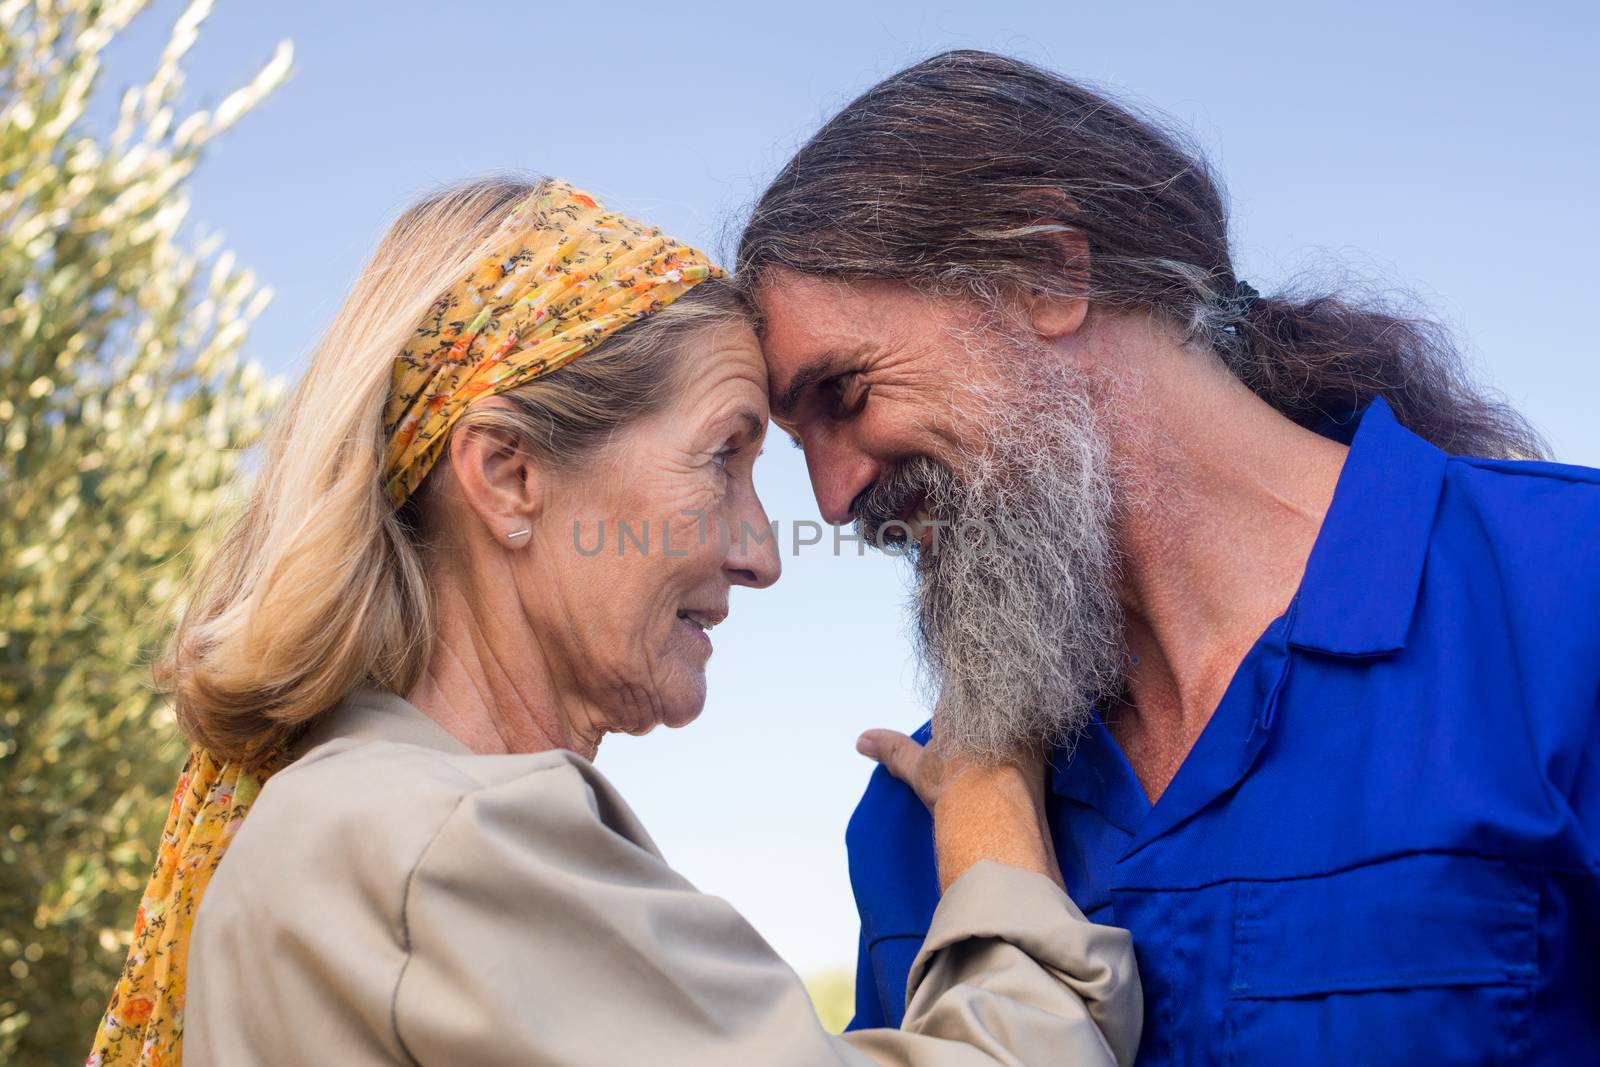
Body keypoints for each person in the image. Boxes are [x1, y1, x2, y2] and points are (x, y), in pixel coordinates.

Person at [86, 177, 1141, 1067]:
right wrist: (992, 812)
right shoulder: (436, 844)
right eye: (724, 453)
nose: (765, 551)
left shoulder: (345, 823)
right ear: (508, 474)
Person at [737, 50, 1600, 1065]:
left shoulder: (1567, 593)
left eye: (843, 393)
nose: (834, 499)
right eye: (793, 446)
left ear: (1046, 272)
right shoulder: (919, 813)